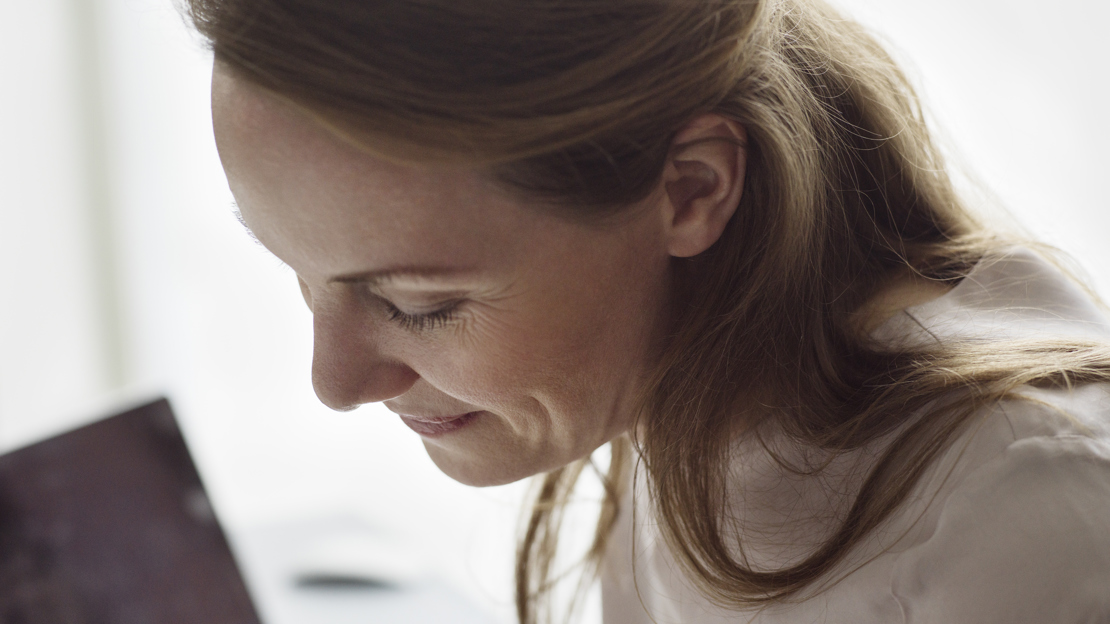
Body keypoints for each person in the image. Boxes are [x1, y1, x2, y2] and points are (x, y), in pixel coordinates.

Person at [188, 0, 1110, 621]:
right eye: (298, 273)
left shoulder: (1030, 513)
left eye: (418, 305)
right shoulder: (682, 366)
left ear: (691, 190)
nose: (336, 382)